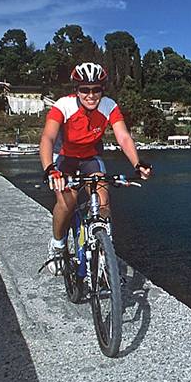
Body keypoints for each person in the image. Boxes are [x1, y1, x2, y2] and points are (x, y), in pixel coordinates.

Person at [39, 62, 151, 275]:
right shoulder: (63, 105)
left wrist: (137, 163)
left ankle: (102, 248)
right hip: (64, 158)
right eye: (85, 90)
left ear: (102, 90)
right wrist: (50, 169)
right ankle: (57, 245)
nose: (91, 95)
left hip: (90, 157)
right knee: (67, 202)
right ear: (77, 90)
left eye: (96, 89)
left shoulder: (109, 106)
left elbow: (123, 137)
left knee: (103, 200)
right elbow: (47, 137)